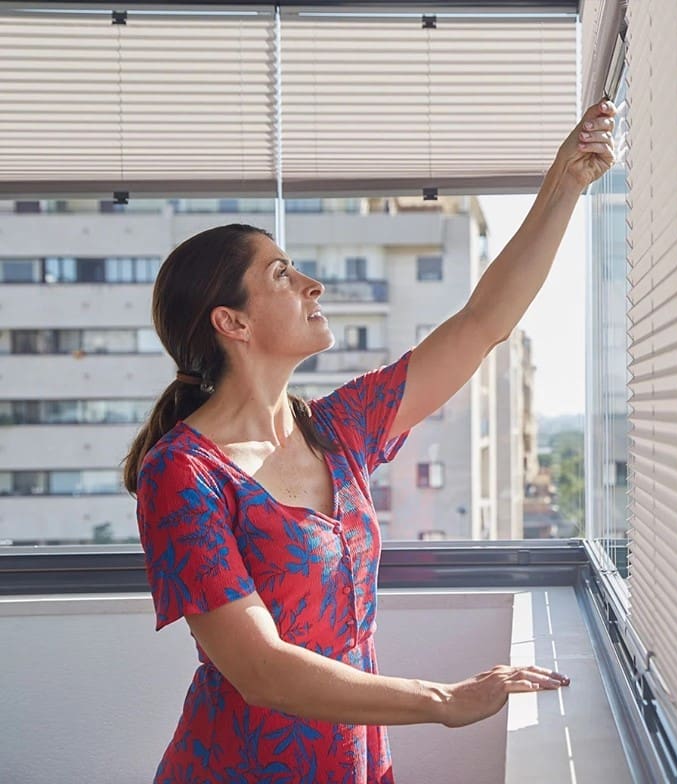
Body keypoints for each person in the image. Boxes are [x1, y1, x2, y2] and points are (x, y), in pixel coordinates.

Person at [122, 99, 617, 783]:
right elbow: (262, 671)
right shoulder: (181, 474)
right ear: (231, 322)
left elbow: (481, 324)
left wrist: (564, 184)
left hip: (357, 765)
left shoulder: (336, 429)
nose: (311, 283)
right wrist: (444, 700)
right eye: (280, 275)